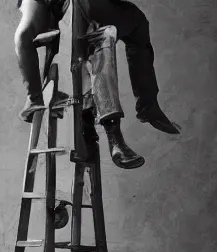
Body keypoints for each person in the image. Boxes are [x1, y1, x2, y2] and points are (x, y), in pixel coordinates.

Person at [14, 0, 181, 169]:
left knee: (120, 27)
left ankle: (137, 112)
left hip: (86, 20)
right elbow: (23, 35)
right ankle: (109, 130)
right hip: (63, 20)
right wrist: (35, 95)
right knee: (103, 34)